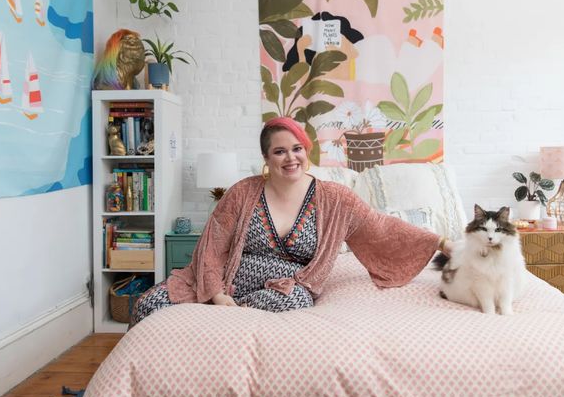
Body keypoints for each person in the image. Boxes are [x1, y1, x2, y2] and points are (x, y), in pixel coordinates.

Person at [130, 117, 447, 326]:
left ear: (306, 151)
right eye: (279, 152)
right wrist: (217, 296)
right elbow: (212, 247)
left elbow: (380, 227)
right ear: (267, 159)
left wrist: (439, 242)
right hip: (227, 284)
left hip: (283, 290)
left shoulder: (335, 199)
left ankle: (227, 321)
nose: (290, 158)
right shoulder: (242, 192)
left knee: (292, 300)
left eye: (297, 149)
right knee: (148, 305)